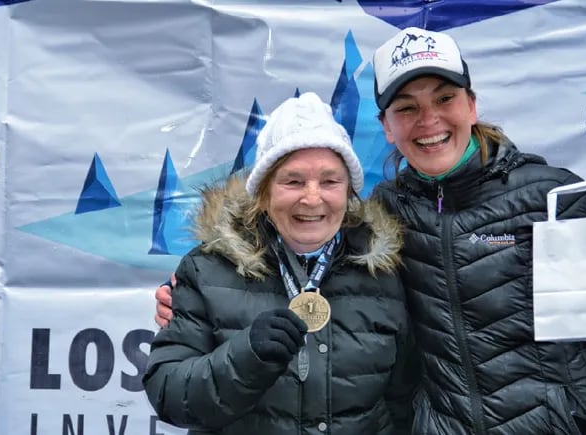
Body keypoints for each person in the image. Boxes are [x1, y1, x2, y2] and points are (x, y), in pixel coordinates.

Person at [153, 27, 586, 435]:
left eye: (444, 98)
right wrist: (196, 303)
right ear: (386, 126)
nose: (429, 120)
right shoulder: (384, 221)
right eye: (407, 107)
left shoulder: (554, 195)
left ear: (472, 105)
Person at [142, 92, 418, 435]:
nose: (312, 198)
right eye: (293, 181)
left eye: (330, 181)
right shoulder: (207, 270)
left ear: (349, 192)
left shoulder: (383, 273)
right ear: (264, 191)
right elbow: (169, 394)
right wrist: (245, 357)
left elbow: (404, 401)